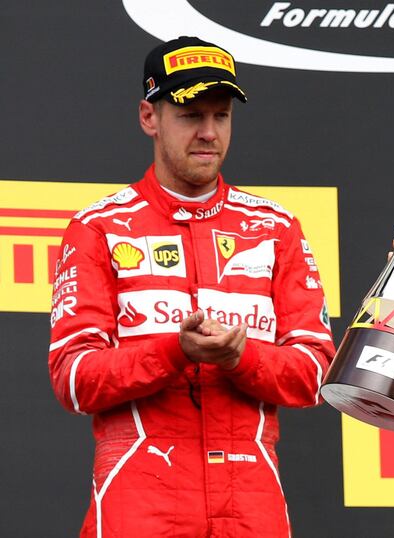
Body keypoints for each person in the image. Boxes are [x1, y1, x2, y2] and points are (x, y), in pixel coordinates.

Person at [48, 36, 335, 537]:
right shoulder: (99, 228)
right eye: (190, 116)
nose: (208, 133)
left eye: (220, 116)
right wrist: (174, 351)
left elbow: (315, 373)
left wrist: (238, 358)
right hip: (136, 507)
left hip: (252, 510)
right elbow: (74, 379)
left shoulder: (276, 228)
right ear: (148, 117)